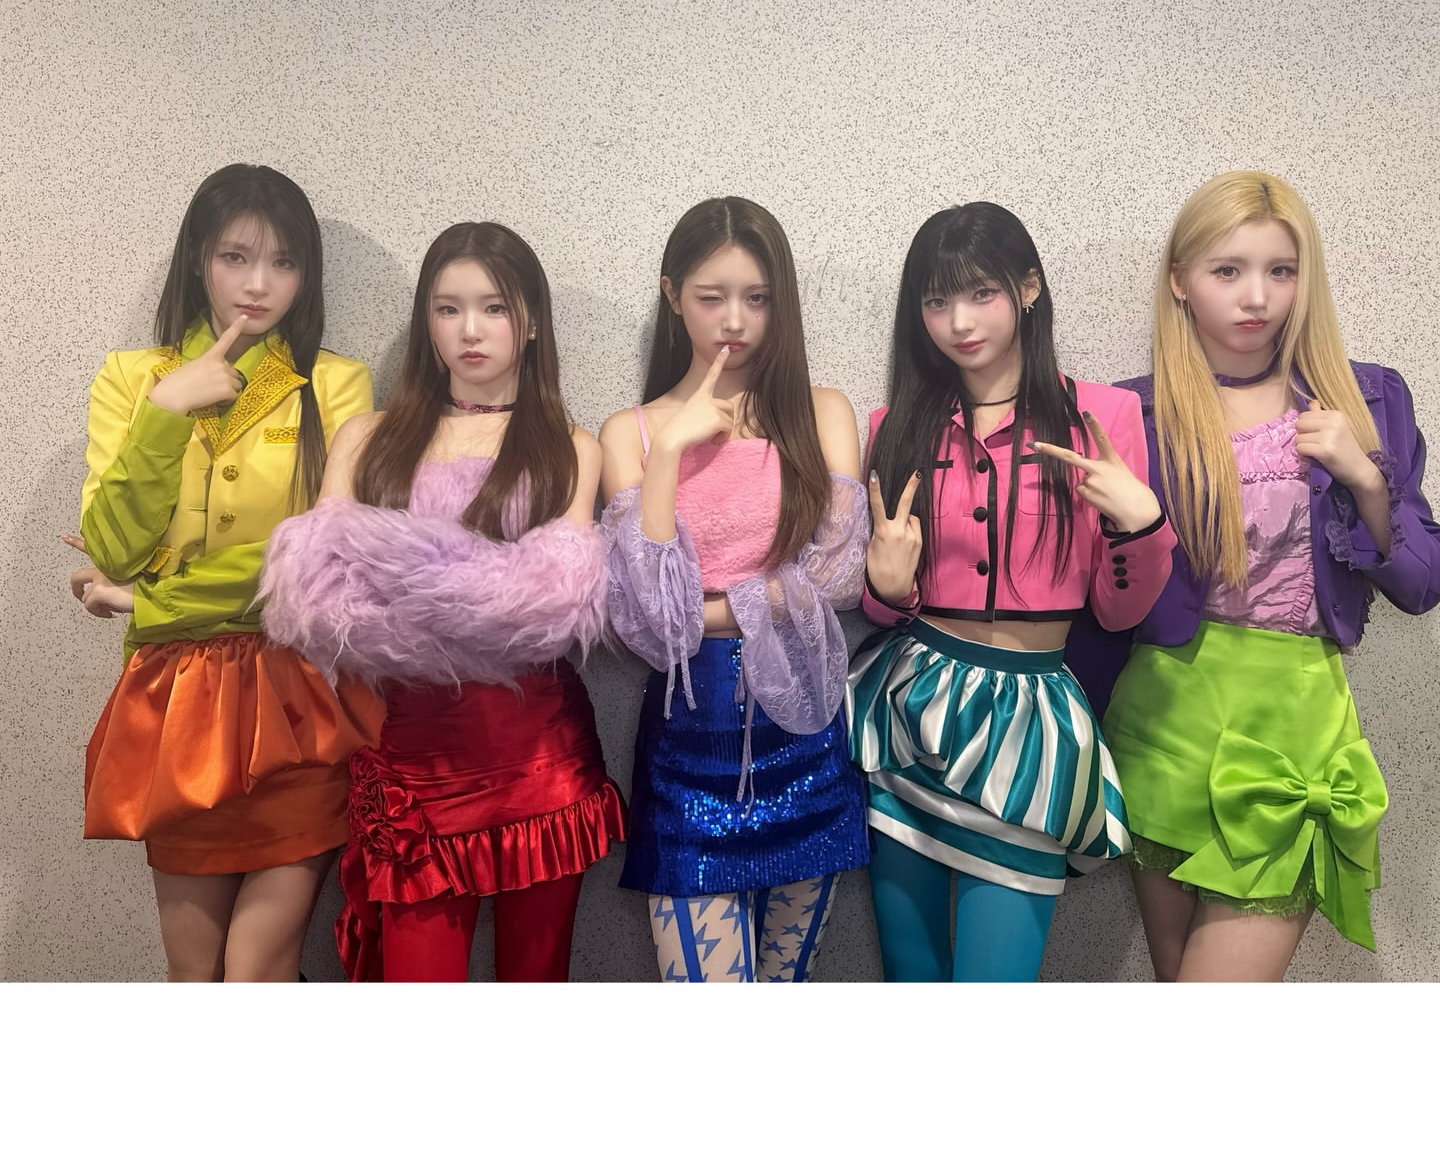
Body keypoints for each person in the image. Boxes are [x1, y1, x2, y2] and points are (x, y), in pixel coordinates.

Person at [1067, 171, 1440, 980]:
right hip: (1163, 719)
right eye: (1228, 270)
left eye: (1281, 270)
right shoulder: (1132, 414)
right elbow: (1101, 597)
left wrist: (1365, 477)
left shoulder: (1365, 398)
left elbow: (1421, 585)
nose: (1258, 297)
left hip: (1293, 728)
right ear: (1180, 280)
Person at [261, 221, 625, 983]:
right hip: (413, 768)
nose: (470, 330)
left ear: (531, 323)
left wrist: (395, 569)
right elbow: (316, 598)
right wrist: (485, 592)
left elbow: (552, 607)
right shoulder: (367, 438)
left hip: (539, 762)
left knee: (536, 987)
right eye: (448, 308)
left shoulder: (571, 445)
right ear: (426, 321)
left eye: (494, 308)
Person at [848, 202, 1176, 982]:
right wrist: (885, 590)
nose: (959, 322)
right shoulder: (896, 424)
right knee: (911, 976)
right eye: (936, 301)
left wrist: (1140, 524)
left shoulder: (1102, 415)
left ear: (1028, 287)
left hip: (1031, 720)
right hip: (909, 708)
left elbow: (1119, 611)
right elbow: (887, 599)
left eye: (981, 293)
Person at [71, 163, 382, 981]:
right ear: (197, 259)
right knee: (194, 973)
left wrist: (149, 601)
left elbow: (319, 559)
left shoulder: (336, 385)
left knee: (254, 970)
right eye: (235, 257)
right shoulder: (134, 380)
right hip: (171, 710)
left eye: (283, 262)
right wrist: (167, 410)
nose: (257, 284)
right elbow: (112, 546)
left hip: (298, 700)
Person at [599, 196, 870, 982]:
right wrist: (668, 454)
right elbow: (652, 625)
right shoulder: (631, 432)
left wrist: (710, 611)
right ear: (671, 295)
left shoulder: (822, 412)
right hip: (687, 738)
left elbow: (837, 577)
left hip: (807, 733)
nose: (735, 321)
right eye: (711, 297)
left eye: (757, 298)